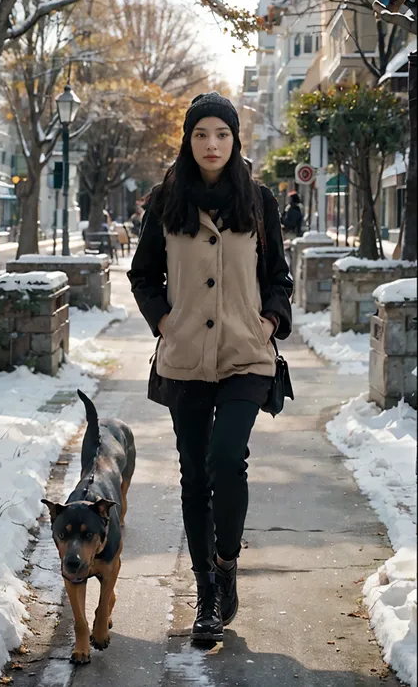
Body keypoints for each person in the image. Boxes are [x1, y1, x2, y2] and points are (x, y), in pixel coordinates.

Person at [127, 92, 293, 643]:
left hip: (247, 354)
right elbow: (143, 275)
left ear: (235, 139)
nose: (212, 144)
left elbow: (279, 279)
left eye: (221, 133)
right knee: (195, 475)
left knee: (228, 458)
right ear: (188, 139)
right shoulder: (166, 202)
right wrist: (164, 323)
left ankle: (226, 567)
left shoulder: (260, 201)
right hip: (185, 359)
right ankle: (205, 596)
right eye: (201, 134)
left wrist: (268, 323)